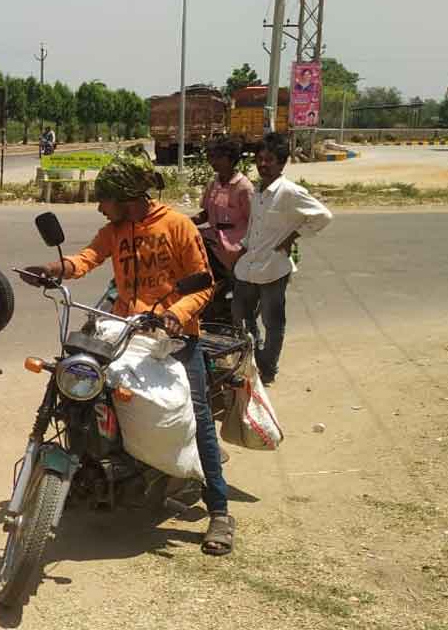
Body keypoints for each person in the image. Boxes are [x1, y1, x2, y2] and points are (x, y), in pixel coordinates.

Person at [21, 150, 236, 556]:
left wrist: (176, 314)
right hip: (124, 330)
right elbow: (87, 258)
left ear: (127, 197)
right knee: (80, 383)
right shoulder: (116, 230)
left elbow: (204, 284)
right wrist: (52, 269)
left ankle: (220, 511)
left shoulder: (176, 226)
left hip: (174, 336)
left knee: (196, 415)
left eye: (105, 199)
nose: (101, 208)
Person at [231, 133, 333, 386]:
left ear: (282, 163)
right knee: (241, 316)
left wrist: (293, 237)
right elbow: (254, 225)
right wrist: (242, 248)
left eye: (270, 160)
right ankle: (253, 359)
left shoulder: (290, 191)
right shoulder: (259, 190)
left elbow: (323, 216)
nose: (263, 164)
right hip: (250, 265)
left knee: (272, 321)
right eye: (260, 159)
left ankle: (268, 368)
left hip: (274, 268)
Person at [192, 138, 253, 277]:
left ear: (231, 159)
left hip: (235, 244)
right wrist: (184, 222)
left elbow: (254, 222)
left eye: (218, 157)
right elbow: (206, 214)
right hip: (215, 238)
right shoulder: (214, 183)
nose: (213, 162)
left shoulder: (243, 187)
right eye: (211, 157)